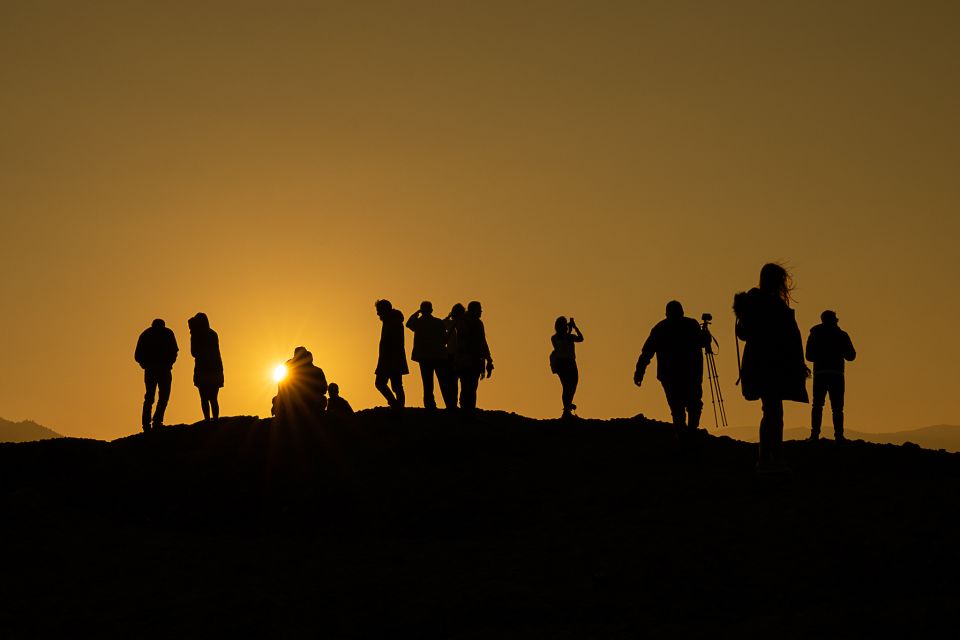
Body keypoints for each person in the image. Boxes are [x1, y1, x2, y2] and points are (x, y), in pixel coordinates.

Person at [733, 263, 809, 472]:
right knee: (774, 412)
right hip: (771, 365)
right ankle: (769, 459)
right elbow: (787, 337)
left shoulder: (754, 302)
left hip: (761, 365)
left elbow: (744, 334)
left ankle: (769, 458)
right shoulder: (771, 304)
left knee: (772, 411)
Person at [634, 301, 710, 434]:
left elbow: (646, 353)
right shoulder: (691, 325)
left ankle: (683, 436)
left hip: (670, 376)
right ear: (682, 312)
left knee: (678, 408)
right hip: (691, 374)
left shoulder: (660, 328)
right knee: (693, 404)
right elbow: (704, 342)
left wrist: (639, 372)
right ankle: (691, 432)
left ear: (667, 314)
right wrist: (706, 333)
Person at [806, 310, 856, 441]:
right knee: (838, 407)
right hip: (837, 374)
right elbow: (851, 356)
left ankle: (814, 434)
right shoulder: (842, 335)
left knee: (817, 405)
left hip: (820, 373)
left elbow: (809, 356)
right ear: (834, 320)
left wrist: (821, 355)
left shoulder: (815, 334)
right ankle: (839, 435)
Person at [134, 318, 179, 432]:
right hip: (157, 370)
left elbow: (174, 351)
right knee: (156, 396)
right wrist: (146, 365)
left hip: (157, 370)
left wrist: (146, 365)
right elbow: (138, 355)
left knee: (155, 397)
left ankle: (152, 422)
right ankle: (152, 422)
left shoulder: (147, 334)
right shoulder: (164, 333)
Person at [405, 301, 447, 409]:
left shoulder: (419, 322)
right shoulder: (438, 322)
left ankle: (430, 405)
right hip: (438, 356)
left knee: (427, 383)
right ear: (431, 310)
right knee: (442, 381)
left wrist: (417, 313)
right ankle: (449, 404)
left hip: (424, 357)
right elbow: (444, 338)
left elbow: (408, 323)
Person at [455, 301, 493, 413]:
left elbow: (482, 342)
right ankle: (466, 409)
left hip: (472, 359)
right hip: (467, 359)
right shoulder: (464, 322)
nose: (481, 311)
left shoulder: (473, 322)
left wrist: (489, 359)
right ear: (474, 310)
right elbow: (481, 342)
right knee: (468, 385)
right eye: (479, 309)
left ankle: (468, 408)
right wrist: (488, 358)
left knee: (470, 386)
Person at [274, 346, 328, 423]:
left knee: (322, 400)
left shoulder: (316, 370)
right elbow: (281, 385)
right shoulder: (288, 367)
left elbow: (324, 388)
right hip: (292, 402)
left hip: (309, 402)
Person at [188, 312, 224, 423]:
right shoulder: (213, 334)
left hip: (202, 368)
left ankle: (207, 419)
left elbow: (193, 352)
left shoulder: (196, 335)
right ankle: (216, 420)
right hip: (215, 368)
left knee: (204, 397)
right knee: (213, 398)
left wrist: (193, 332)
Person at [374, 299, 408, 409]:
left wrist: (385, 358)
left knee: (382, 383)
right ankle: (398, 406)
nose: (377, 313)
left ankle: (396, 405)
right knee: (396, 385)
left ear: (385, 310)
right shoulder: (392, 320)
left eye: (379, 310)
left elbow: (392, 342)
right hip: (392, 358)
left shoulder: (392, 322)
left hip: (390, 359)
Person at [550, 316, 584, 418]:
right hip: (562, 363)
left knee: (572, 385)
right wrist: (569, 331)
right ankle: (566, 409)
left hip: (571, 362)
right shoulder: (555, 338)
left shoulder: (568, 336)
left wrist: (575, 327)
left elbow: (581, 338)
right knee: (567, 386)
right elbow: (561, 345)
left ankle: (567, 407)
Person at [438, 303, 466, 410]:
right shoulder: (462, 325)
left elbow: (441, 324)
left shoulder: (450, 323)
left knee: (452, 381)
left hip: (451, 355)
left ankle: (453, 404)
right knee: (458, 381)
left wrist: (448, 316)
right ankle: (458, 404)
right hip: (457, 355)